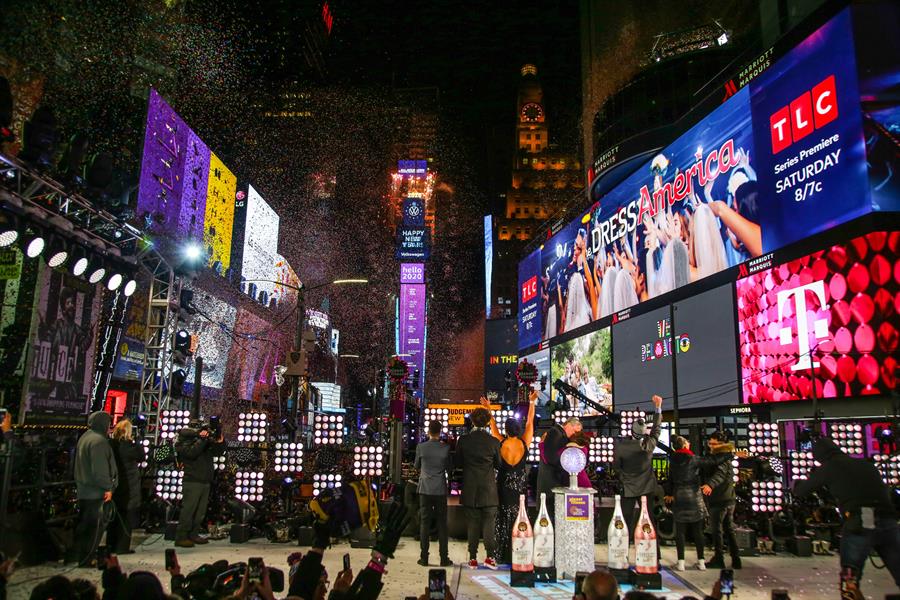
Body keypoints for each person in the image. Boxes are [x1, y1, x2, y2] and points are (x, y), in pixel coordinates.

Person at [792, 436, 900, 590]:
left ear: (820, 455)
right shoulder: (866, 464)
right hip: (888, 519)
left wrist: (796, 484)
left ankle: (850, 591)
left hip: (864, 517)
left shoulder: (830, 467)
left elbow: (802, 491)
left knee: (850, 575)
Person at [481, 390, 536, 564]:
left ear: (506, 430)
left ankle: (503, 554)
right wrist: (532, 402)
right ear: (518, 429)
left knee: (503, 516)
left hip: (503, 485)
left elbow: (492, 424)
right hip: (519, 486)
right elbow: (530, 422)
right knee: (520, 515)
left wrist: (489, 408)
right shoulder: (524, 442)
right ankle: (520, 552)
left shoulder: (501, 442)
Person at [664, 435, 734, 572]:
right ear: (684, 445)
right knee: (698, 531)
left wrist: (670, 493)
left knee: (680, 531)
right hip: (694, 497)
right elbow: (713, 461)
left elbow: (670, 479)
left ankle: (681, 563)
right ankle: (701, 562)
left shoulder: (673, 460)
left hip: (679, 496)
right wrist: (731, 454)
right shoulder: (693, 459)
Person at [453, 407, 501, 569]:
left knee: (472, 524)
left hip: (470, 488)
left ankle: (472, 558)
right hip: (489, 489)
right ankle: (490, 557)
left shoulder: (463, 440)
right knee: (489, 525)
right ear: (488, 422)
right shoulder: (494, 442)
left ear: (472, 421)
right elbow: (499, 464)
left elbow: (457, 462)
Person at [70, 410, 118, 566]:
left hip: (84, 489)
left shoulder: (85, 437)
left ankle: (77, 556)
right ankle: (86, 559)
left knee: (84, 526)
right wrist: (108, 487)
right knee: (93, 529)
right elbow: (100, 470)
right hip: (96, 491)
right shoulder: (99, 442)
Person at [613, 394, 662, 540]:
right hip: (646, 487)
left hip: (628, 487)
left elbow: (616, 467)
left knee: (625, 521)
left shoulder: (621, 447)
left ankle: (622, 548)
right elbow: (656, 429)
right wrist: (658, 408)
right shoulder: (649, 445)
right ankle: (654, 551)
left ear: (631, 432)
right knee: (649, 520)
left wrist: (623, 478)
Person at [174, 419, 225, 548]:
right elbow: (191, 453)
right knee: (189, 510)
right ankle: (181, 536)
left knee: (200, 512)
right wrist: (202, 440)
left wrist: (220, 441)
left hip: (205, 479)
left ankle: (194, 534)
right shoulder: (183, 439)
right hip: (192, 480)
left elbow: (217, 452)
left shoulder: (203, 440)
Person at [414, 420, 452, 567]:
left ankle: (424, 558)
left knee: (424, 523)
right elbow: (449, 468)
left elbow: (416, 466)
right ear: (440, 432)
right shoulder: (445, 448)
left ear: (428, 431)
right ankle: (444, 558)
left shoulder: (421, 447)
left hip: (425, 489)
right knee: (442, 524)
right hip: (440, 489)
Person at [701, 431, 741, 569]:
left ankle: (719, 558)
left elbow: (720, 474)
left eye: (714, 444)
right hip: (728, 498)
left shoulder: (720, 458)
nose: (711, 446)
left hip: (720, 498)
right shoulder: (726, 457)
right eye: (710, 443)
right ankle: (736, 559)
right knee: (728, 529)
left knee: (717, 530)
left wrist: (710, 485)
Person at [107, 419, 142, 554]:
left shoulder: (111, 445)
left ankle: (111, 544)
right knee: (126, 517)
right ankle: (122, 546)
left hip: (115, 484)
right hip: (128, 484)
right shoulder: (128, 447)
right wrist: (137, 441)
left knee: (114, 516)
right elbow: (141, 456)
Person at [537, 416, 582, 522]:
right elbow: (551, 457)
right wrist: (567, 465)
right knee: (548, 513)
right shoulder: (556, 432)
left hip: (553, 479)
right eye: (575, 431)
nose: (575, 435)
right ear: (569, 425)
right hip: (550, 480)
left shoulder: (559, 433)